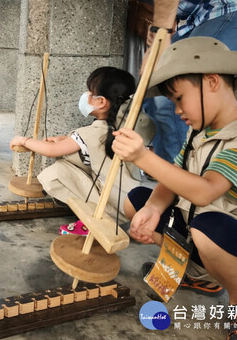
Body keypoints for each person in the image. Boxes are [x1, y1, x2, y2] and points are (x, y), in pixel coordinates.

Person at [112, 37, 237, 340]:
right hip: (202, 227)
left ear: (211, 81)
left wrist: (143, 156)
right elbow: (175, 177)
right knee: (139, 200)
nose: (178, 110)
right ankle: (201, 276)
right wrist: (153, 208)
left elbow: (205, 192)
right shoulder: (200, 132)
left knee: (210, 229)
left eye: (179, 98)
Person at [79, 0, 237, 164]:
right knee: (155, 86)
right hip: (214, 5)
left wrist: (162, 29)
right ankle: (167, 178)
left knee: (170, 94)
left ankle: (178, 186)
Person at [10, 67, 155, 235]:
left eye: (89, 92)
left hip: (114, 205)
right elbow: (91, 147)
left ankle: (96, 218)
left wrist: (24, 140)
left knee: (55, 173)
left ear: (101, 102)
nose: (85, 96)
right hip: (130, 199)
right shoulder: (127, 127)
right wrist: (66, 139)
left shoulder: (92, 133)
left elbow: (52, 151)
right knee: (72, 161)